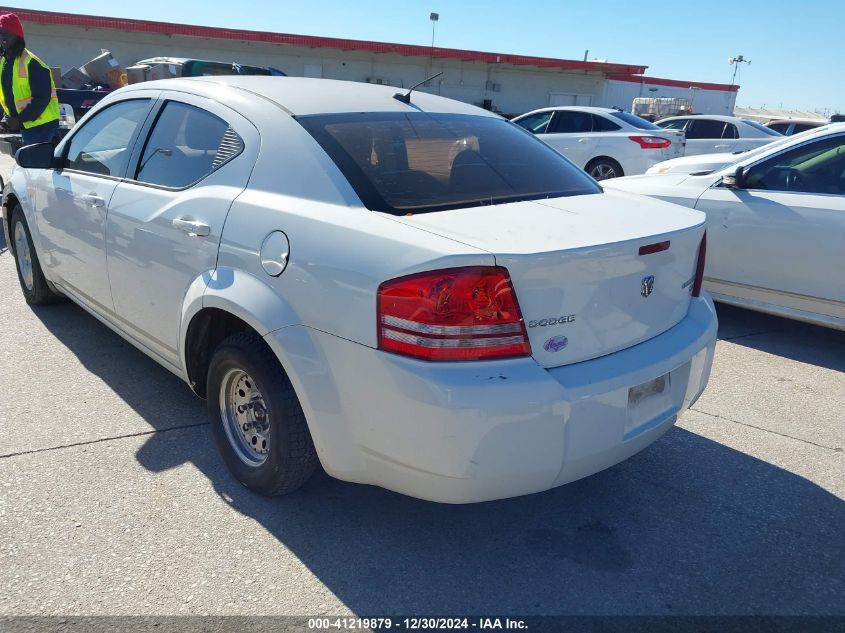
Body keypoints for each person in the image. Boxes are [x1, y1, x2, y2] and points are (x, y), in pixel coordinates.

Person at [0, 13, 59, 145]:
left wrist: (19, 119)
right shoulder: (5, 61)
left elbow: (42, 98)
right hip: (26, 124)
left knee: (34, 163)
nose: (2, 36)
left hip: (42, 125)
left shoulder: (32, 63)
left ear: (17, 35)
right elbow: (9, 94)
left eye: (6, 32)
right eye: (0, 32)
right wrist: (8, 117)